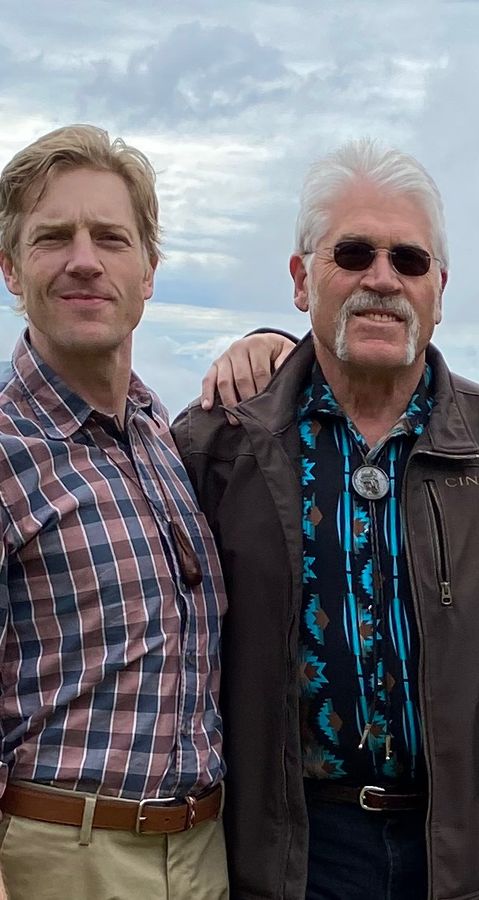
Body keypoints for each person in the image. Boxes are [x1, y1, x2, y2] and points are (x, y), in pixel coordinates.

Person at [173, 139, 479, 900]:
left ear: (440, 287)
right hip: (293, 863)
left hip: (466, 864)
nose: (382, 278)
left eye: (409, 259)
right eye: (353, 253)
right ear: (301, 279)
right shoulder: (219, 448)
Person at [0, 125, 229, 898]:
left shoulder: (164, 436)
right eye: (52, 237)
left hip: (202, 852)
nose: (84, 260)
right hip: (59, 858)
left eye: (110, 238)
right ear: (10, 267)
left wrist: (267, 342)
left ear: (149, 272)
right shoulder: (6, 449)